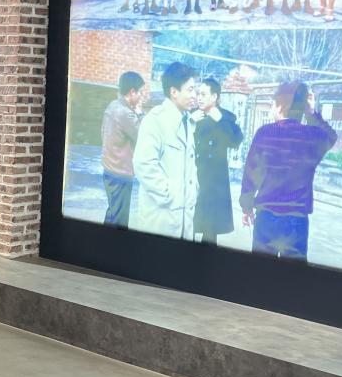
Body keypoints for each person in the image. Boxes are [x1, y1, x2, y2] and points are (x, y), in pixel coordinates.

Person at [239, 81, 338, 259]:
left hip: (267, 217)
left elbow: (251, 174)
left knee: (260, 272)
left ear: (280, 106)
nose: (271, 109)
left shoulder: (265, 133)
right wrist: (311, 112)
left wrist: (247, 207)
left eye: (272, 104)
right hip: (297, 221)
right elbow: (331, 136)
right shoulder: (312, 136)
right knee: (293, 274)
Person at [130, 61, 199, 240]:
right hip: (161, 218)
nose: (195, 95)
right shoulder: (155, 121)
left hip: (184, 219)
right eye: (190, 89)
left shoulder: (188, 121)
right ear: (174, 92)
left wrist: (193, 192)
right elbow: (144, 165)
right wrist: (171, 195)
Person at [192, 78, 244, 245]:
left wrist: (220, 120)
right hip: (193, 176)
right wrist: (190, 122)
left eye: (203, 94)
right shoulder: (193, 115)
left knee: (209, 231)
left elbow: (235, 141)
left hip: (213, 181)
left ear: (214, 96)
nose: (199, 98)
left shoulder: (226, 118)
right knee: (188, 224)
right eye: (198, 94)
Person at [100, 71, 145, 228]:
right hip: (120, 172)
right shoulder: (125, 113)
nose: (141, 97)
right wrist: (140, 113)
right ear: (132, 92)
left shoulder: (113, 106)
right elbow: (142, 136)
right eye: (140, 92)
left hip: (109, 169)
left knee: (113, 213)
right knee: (119, 220)